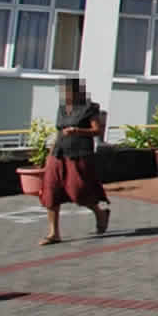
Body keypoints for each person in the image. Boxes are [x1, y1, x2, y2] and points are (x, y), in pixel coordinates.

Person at [39, 78, 110, 245]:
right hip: (58, 153)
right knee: (51, 191)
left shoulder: (89, 107)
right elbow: (59, 132)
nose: (65, 95)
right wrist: (49, 156)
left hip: (78, 155)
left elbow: (97, 130)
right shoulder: (62, 108)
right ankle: (54, 233)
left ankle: (100, 213)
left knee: (79, 192)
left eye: (68, 91)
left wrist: (77, 130)